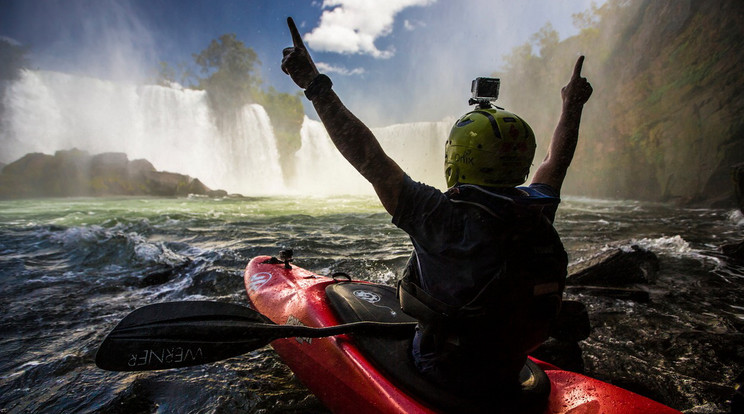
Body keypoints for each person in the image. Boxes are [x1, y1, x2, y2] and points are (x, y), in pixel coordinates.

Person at [281, 17, 593, 396]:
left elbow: (366, 155)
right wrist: (571, 105)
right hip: (508, 366)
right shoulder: (536, 208)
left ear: (456, 158)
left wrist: (314, 84)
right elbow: (556, 161)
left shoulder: (439, 215)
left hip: (443, 372)